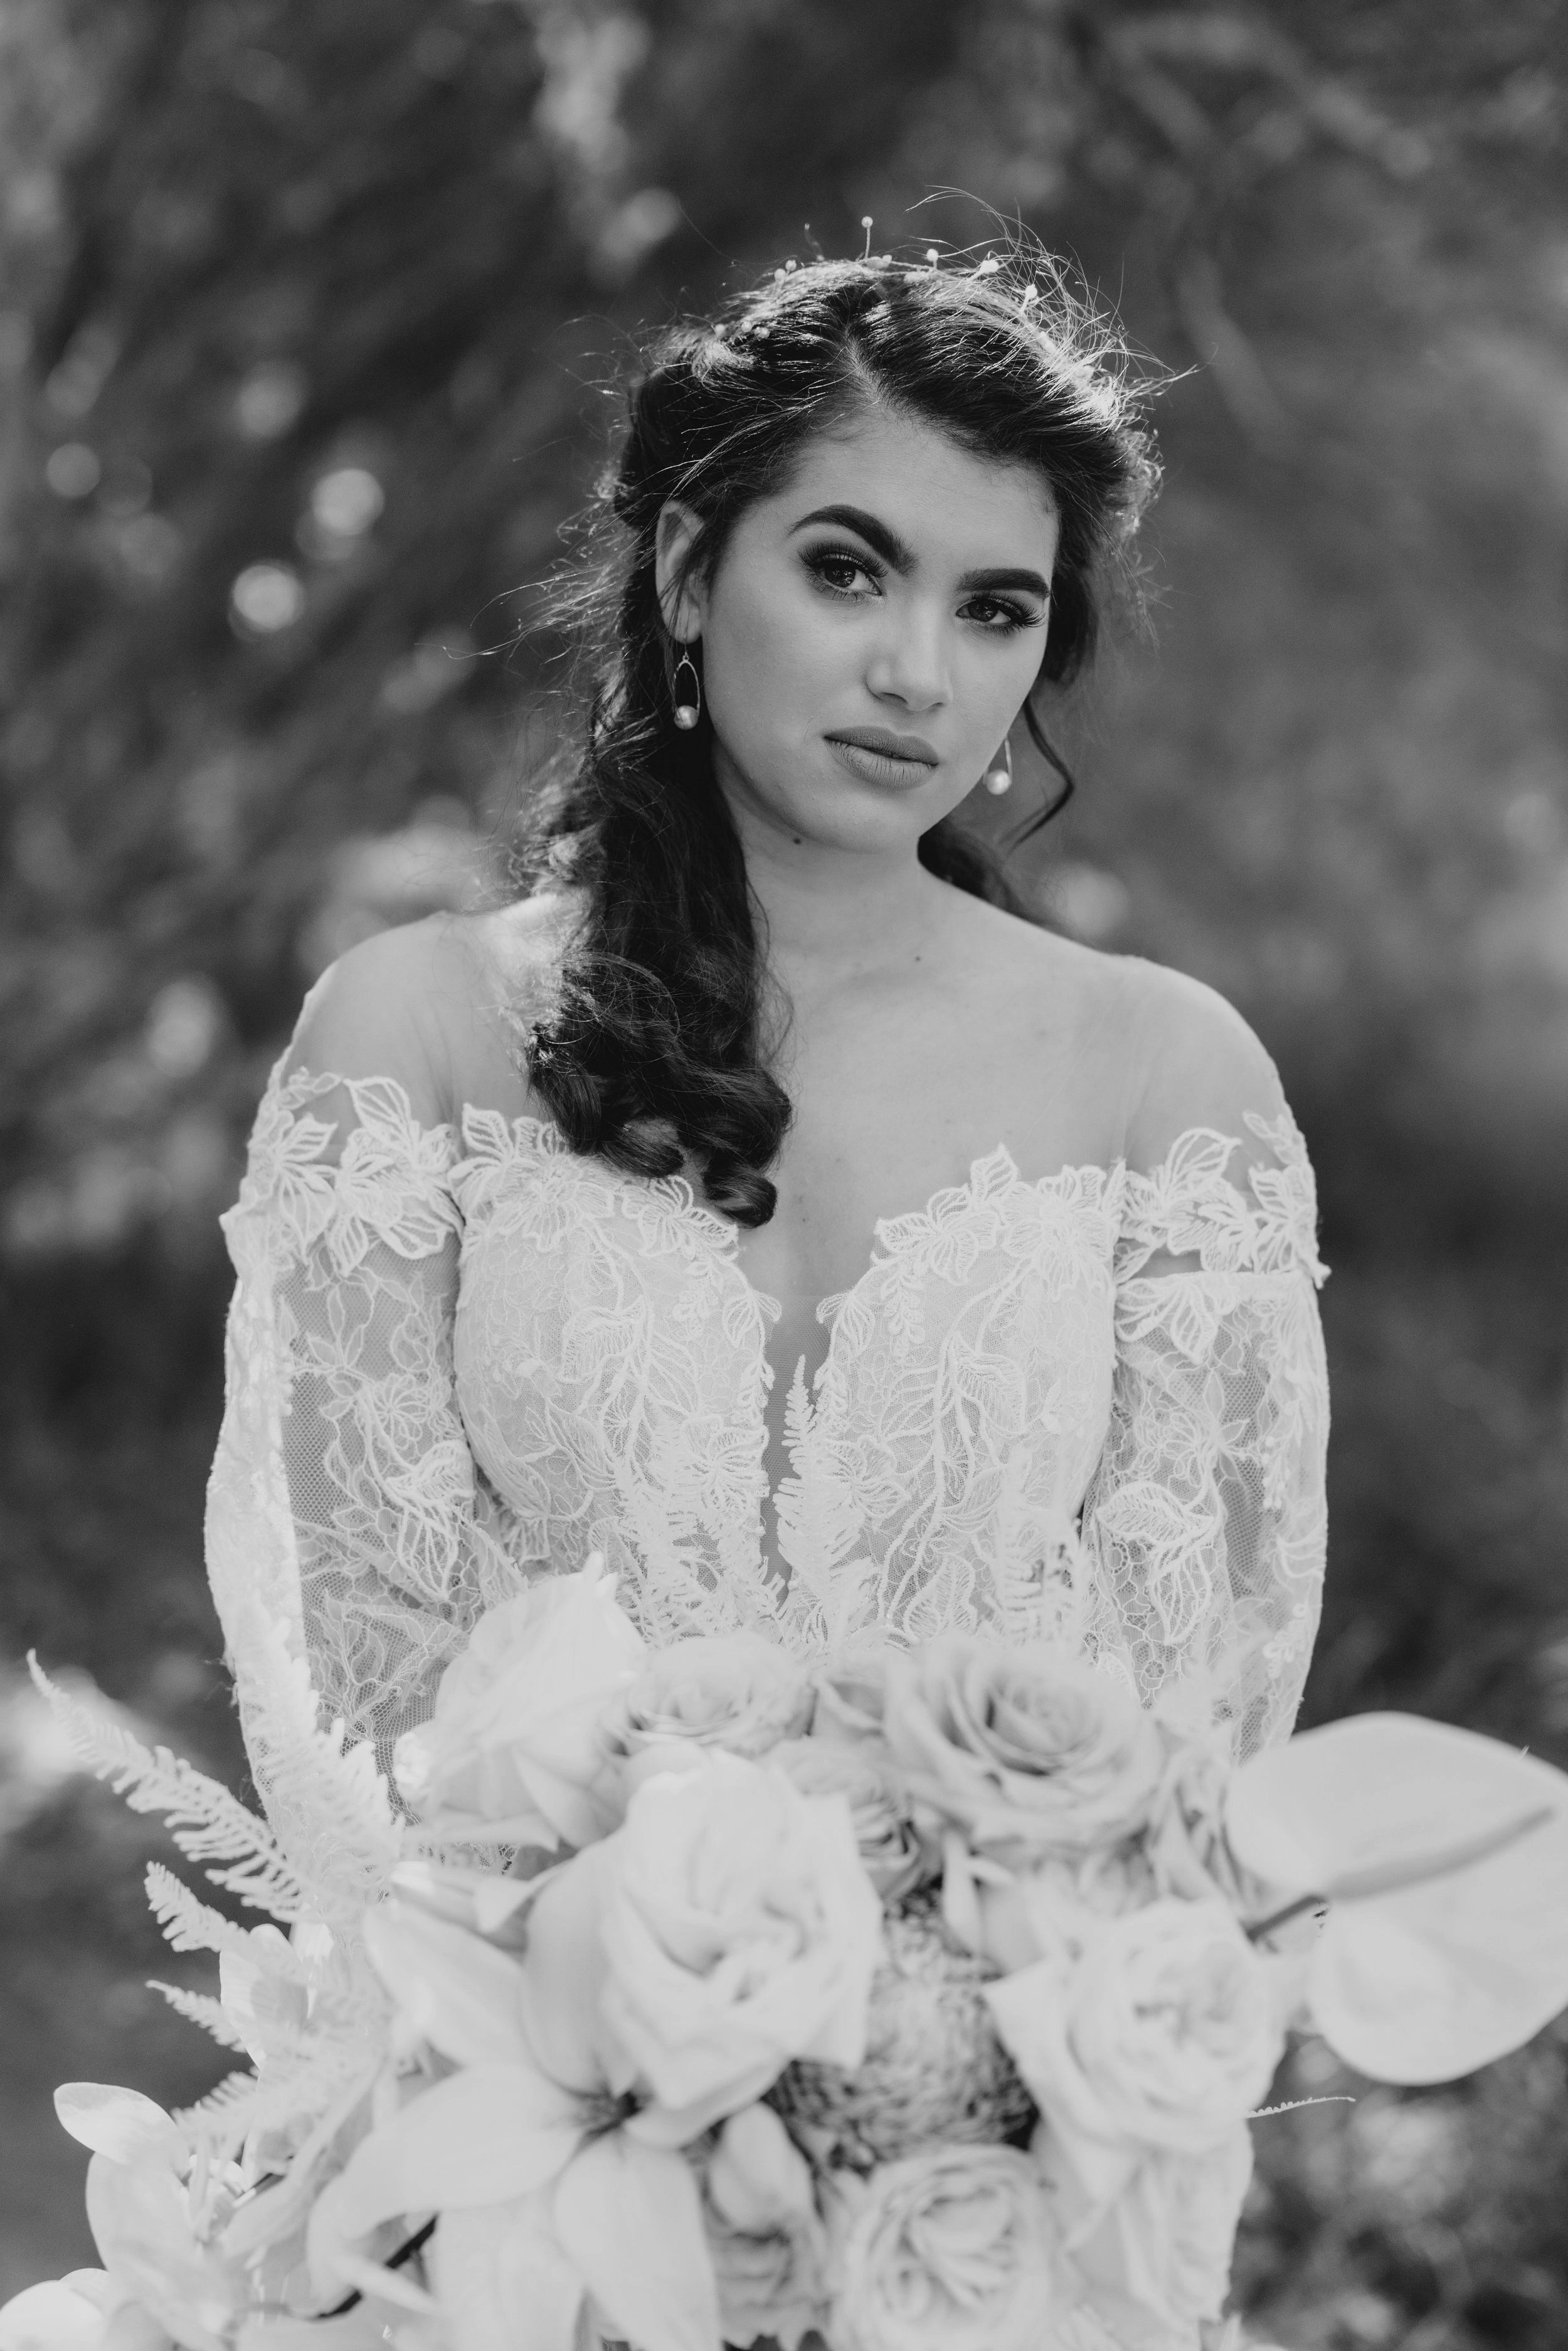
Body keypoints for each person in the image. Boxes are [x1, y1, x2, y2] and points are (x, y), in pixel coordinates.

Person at [205, 242, 1329, 1850]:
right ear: (683, 566)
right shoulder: (415, 1035)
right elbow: (361, 1679)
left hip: (998, 2058)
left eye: (993, 607)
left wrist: (961, 2031)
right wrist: (613, 2018)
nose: (917, 674)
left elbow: (1202, 1720)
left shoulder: (1164, 1075)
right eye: (848, 568)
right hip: (514, 2035)